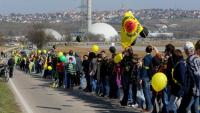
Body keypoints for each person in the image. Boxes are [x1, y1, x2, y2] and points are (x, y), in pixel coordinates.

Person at [178, 41, 200, 113]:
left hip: (192, 90)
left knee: (183, 109)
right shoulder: (197, 58)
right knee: (195, 109)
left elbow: (197, 74)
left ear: (186, 51)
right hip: (195, 90)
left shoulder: (191, 60)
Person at [140, 45, 153, 112]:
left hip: (145, 76)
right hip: (149, 76)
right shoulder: (152, 57)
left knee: (146, 93)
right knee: (148, 92)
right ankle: (149, 106)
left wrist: (141, 78)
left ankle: (149, 108)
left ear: (146, 50)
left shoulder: (146, 58)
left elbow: (144, 68)